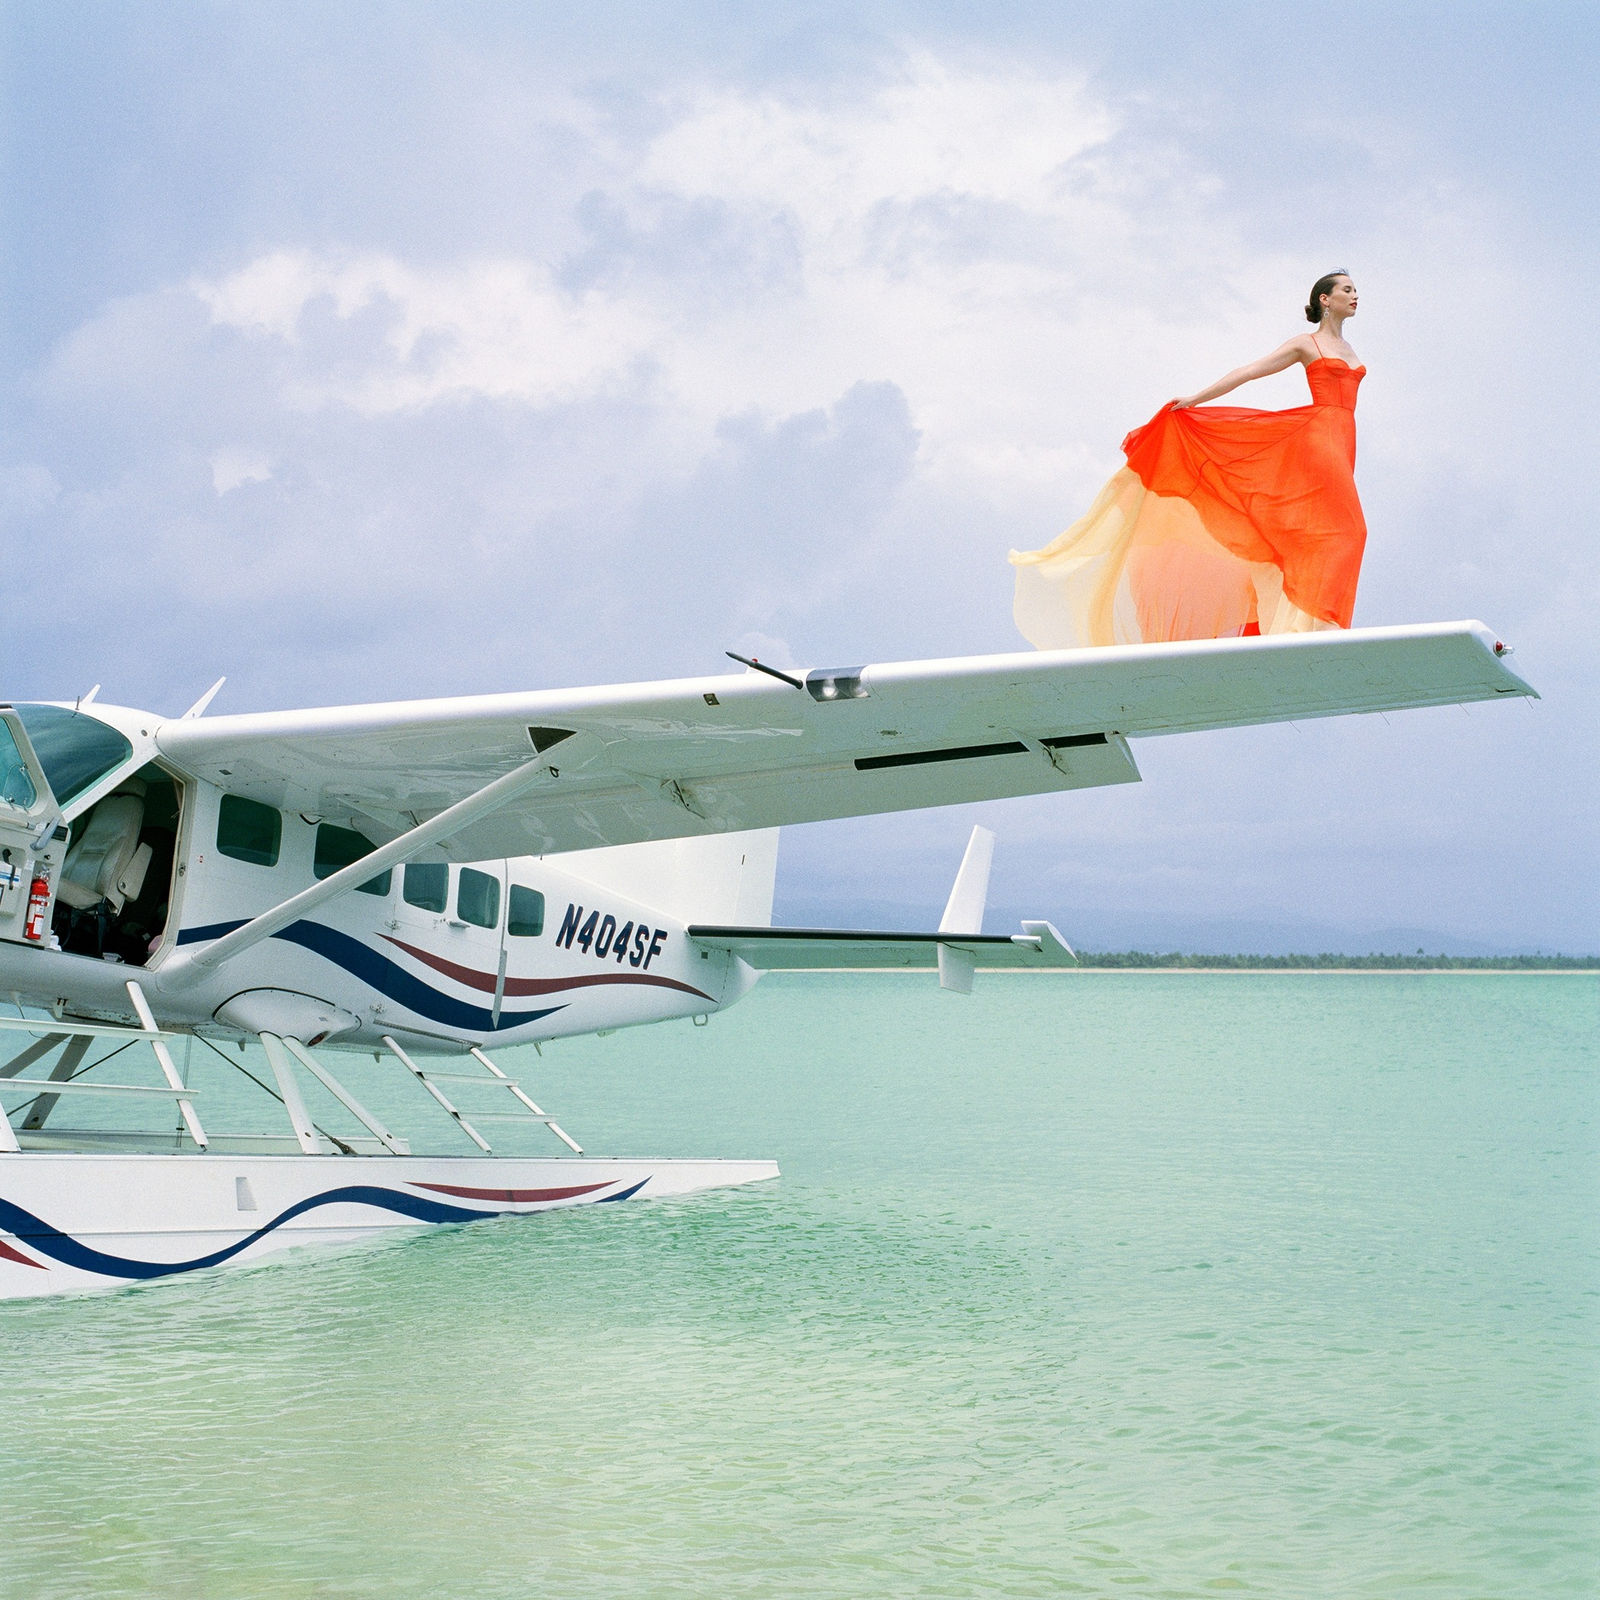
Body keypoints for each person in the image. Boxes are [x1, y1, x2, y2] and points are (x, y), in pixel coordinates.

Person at [1010, 272, 1367, 647]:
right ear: (1325, 300)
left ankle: (1314, 622)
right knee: (1349, 531)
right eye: (1347, 290)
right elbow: (1247, 372)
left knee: (1324, 532)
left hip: (1343, 441)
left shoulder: (1350, 349)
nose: (1356, 295)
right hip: (1317, 439)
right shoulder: (1307, 344)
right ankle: (1321, 624)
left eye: (1356, 290)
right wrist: (1197, 398)